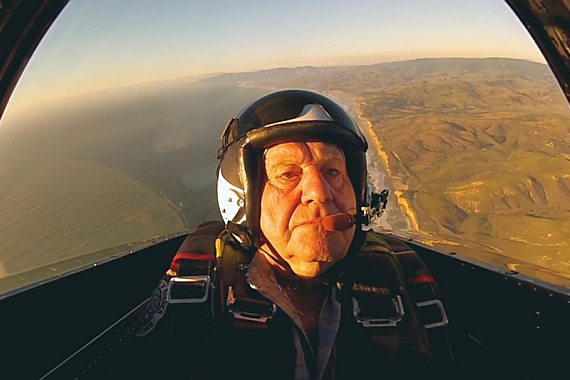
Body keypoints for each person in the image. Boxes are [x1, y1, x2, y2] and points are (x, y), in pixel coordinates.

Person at [135, 89, 456, 380]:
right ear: (241, 197)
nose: (319, 192)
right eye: (288, 174)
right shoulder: (191, 300)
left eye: (333, 171)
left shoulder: (411, 282)